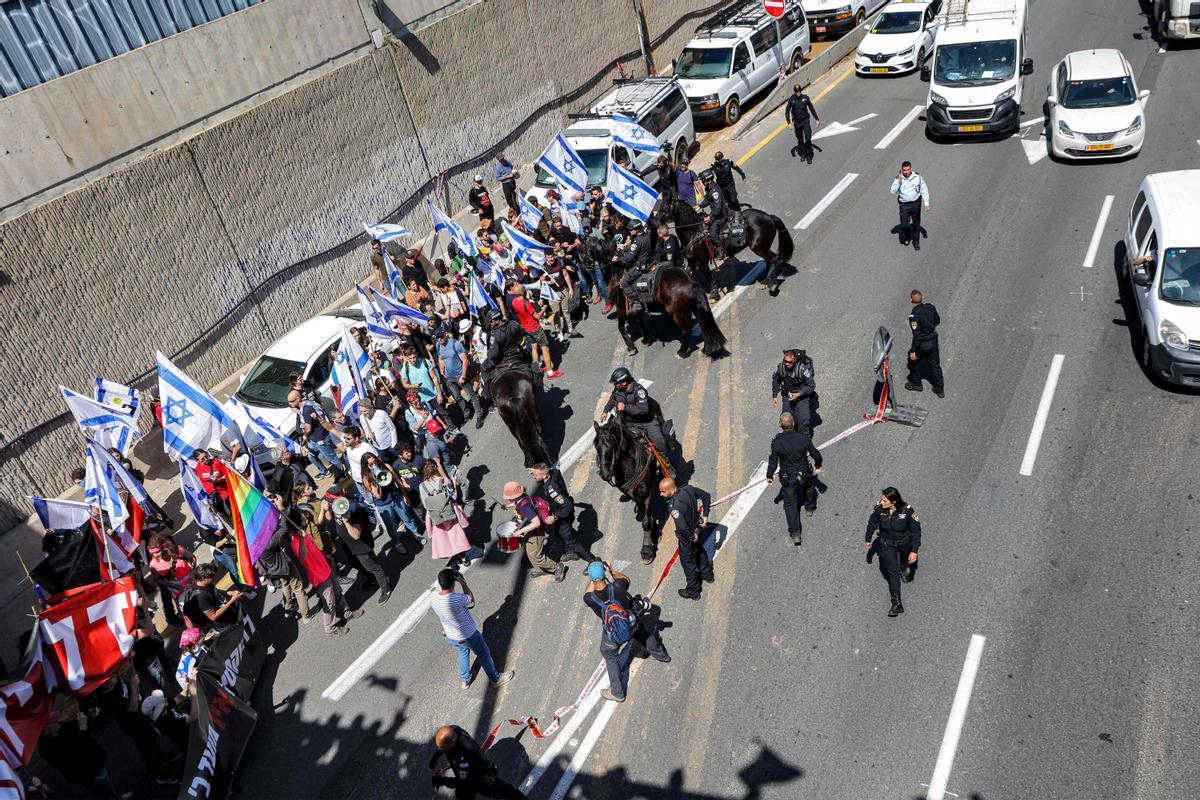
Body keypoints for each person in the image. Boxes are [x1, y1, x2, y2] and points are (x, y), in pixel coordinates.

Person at [584, 561, 669, 703]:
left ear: (591, 579)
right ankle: (661, 656)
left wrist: (595, 576)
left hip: (613, 634)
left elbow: (588, 590)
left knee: (609, 655)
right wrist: (610, 570)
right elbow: (626, 579)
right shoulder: (617, 586)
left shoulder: (589, 598)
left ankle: (617, 693)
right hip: (631, 624)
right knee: (644, 633)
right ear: (604, 573)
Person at [432, 569, 515, 689]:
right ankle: (495, 679)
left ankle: (466, 680)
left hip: (450, 635)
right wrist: (462, 582)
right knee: (484, 654)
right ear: (453, 583)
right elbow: (470, 599)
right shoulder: (456, 599)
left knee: (463, 652)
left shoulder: (433, 597)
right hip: (467, 635)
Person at [289, 505, 363, 636]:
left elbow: (314, 550)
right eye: (302, 517)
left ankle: (347, 613)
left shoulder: (304, 535)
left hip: (326, 569)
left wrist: (324, 555)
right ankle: (330, 629)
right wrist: (301, 538)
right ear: (297, 524)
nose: (305, 517)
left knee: (338, 592)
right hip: (319, 577)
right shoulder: (296, 542)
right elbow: (302, 554)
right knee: (329, 602)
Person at [322, 486, 393, 604]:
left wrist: (346, 521)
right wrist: (326, 509)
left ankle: (385, 588)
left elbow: (356, 535)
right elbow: (329, 519)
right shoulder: (335, 506)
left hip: (360, 546)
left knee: (373, 567)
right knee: (356, 564)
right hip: (348, 546)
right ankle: (373, 580)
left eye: (330, 502)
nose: (329, 503)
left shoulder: (354, 511)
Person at [602, 367, 676, 478]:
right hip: (628, 422)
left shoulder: (639, 391)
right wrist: (606, 410)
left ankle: (666, 463)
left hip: (646, 422)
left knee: (659, 440)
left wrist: (625, 407)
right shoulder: (618, 390)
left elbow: (643, 409)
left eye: (616, 384)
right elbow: (613, 399)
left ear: (624, 382)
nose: (615, 386)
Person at [765, 413, 823, 546]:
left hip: (787, 477)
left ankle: (796, 533)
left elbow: (773, 462)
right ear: (794, 423)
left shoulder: (776, 442)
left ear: (780, 425)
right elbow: (815, 453)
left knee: (790, 505)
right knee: (809, 488)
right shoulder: (803, 438)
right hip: (804, 472)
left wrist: (769, 475)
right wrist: (818, 464)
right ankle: (809, 508)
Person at [864, 487, 922, 617]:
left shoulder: (907, 511)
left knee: (905, 559)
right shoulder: (879, 511)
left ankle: (903, 566)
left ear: (894, 501)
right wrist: (868, 538)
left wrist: (914, 551)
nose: (881, 502)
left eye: (884, 500)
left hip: (904, 542)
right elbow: (872, 523)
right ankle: (897, 603)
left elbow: (916, 531)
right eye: (882, 499)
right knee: (892, 572)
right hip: (887, 544)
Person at [429, 724, 526, 799]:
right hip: (469, 774)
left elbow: (462, 782)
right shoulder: (454, 730)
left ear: (452, 744)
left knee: (505, 791)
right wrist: (437, 754)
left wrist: (441, 781)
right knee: (462, 795)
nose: (442, 750)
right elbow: (446, 738)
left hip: (481, 778)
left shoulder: (465, 757)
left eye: (444, 748)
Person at [658, 477, 713, 599]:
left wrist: (692, 536)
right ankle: (708, 575)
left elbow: (682, 526)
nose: (660, 494)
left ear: (671, 490)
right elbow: (706, 496)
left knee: (688, 565)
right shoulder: (689, 489)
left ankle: (693, 591)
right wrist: (705, 515)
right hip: (698, 528)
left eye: (662, 491)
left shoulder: (674, 506)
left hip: (689, 538)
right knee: (701, 553)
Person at [528, 463, 593, 562]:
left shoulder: (552, 491)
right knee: (558, 532)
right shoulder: (554, 472)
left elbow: (568, 506)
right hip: (561, 510)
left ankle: (591, 560)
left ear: (545, 476)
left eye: (536, 475)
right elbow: (549, 468)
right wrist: (535, 470)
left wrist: (554, 517)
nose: (534, 477)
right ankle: (571, 551)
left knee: (570, 540)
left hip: (563, 516)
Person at [503, 480, 565, 581]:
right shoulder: (522, 498)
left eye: (509, 497)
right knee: (531, 553)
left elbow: (536, 522)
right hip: (528, 531)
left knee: (535, 555)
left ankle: (557, 567)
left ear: (515, 496)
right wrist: (507, 506)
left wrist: (520, 531)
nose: (508, 499)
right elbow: (516, 504)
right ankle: (540, 568)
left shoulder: (526, 507)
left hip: (535, 533)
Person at [361, 451, 419, 552]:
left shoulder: (386, 467)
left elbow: (398, 481)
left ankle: (416, 533)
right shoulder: (367, 478)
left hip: (396, 498)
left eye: (375, 461)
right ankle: (397, 542)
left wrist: (405, 495)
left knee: (407, 517)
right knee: (391, 526)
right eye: (371, 464)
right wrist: (379, 481)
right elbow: (378, 496)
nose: (374, 465)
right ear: (366, 466)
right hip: (383, 505)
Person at [419, 461, 472, 568]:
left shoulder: (422, 486)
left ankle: (453, 554)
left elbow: (425, 505)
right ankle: (463, 557)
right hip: (449, 511)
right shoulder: (444, 480)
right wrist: (453, 482)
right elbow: (453, 497)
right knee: (456, 534)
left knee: (445, 536)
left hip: (436, 515)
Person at [259, 516, 313, 622]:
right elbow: (284, 529)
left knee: (285, 586)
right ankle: (306, 616)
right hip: (285, 567)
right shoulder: (268, 544)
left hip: (276, 571)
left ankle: (288, 609)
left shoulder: (256, 548)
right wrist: (282, 511)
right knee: (298, 589)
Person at [437, 322, 483, 427]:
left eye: (441, 337)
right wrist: (441, 370)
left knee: (472, 396)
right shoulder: (438, 345)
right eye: (437, 338)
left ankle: (479, 415)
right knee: (457, 398)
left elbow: (465, 360)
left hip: (460, 375)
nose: (440, 340)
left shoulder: (455, 344)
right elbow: (441, 359)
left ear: (445, 334)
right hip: (449, 378)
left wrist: (463, 375)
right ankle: (467, 414)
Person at [510, 283, 561, 378]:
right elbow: (537, 316)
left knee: (534, 347)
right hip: (535, 328)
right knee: (545, 348)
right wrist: (543, 309)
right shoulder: (526, 303)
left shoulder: (514, 302)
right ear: (522, 292)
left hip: (526, 328)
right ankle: (550, 372)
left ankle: (537, 369)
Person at [183, 562, 243, 633]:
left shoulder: (206, 584)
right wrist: (232, 600)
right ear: (203, 579)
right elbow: (213, 616)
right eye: (211, 577)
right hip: (225, 625)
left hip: (230, 615)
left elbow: (216, 591)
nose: (213, 578)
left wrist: (230, 593)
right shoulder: (201, 597)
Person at [770, 348, 819, 434]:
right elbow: (776, 380)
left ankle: (804, 438)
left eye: (790, 362)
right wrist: (775, 395)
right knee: (786, 419)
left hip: (801, 396)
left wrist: (799, 393)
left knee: (803, 420)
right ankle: (790, 436)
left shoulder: (802, 370)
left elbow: (811, 385)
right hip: (787, 394)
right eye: (785, 361)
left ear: (795, 360)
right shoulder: (781, 368)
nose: (787, 364)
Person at [905, 289, 944, 397]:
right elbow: (937, 320)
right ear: (922, 297)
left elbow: (916, 335)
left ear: (911, 300)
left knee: (912, 362)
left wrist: (913, 351)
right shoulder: (931, 307)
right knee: (936, 365)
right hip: (933, 340)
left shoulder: (914, 316)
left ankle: (917, 383)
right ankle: (940, 389)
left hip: (922, 344)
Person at [890, 160, 930, 250]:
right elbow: (892, 191)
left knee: (916, 224)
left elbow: (924, 189)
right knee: (903, 224)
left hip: (916, 203)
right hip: (904, 205)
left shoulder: (917, 177)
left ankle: (916, 241)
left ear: (911, 169)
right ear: (902, 170)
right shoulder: (898, 178)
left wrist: (926, 203)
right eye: (904, 170)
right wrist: (898, 182)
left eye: (908, 169)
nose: (906, 172)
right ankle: (908, 235)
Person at [341, 425, 380, 507]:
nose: (345, 440)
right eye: (345, 438)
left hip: (369, 481)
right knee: (370, 502)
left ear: (356, 439)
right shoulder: (348, 446)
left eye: (348, 438)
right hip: (357, 480)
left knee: (377, 500)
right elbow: (333, 430)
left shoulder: (367, 448)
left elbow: (378, 462)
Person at [695, 169, 728, 261]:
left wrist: (710, 216)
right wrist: (699, 206)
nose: (702, 182)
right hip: (716, 214)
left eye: (703, 181)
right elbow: (707, 200)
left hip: (721, 216)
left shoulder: (714, 192)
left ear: (709, 180)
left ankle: (723, 251)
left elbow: (718, 208)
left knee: (713, 234)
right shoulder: (709, 188)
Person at [784, 83, 821, 163]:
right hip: (797, 123)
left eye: (799, 91)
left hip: (805, 121)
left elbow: (811, 108)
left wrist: (817, 119)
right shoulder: (791, 100)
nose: (798, 92)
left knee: (808, 138)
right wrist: (789, 123)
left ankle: (809, 155)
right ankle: (803, 154)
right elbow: (787, 111)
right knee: (800, 139)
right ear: (794, 91)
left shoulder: (805, 98)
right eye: (797, 91)